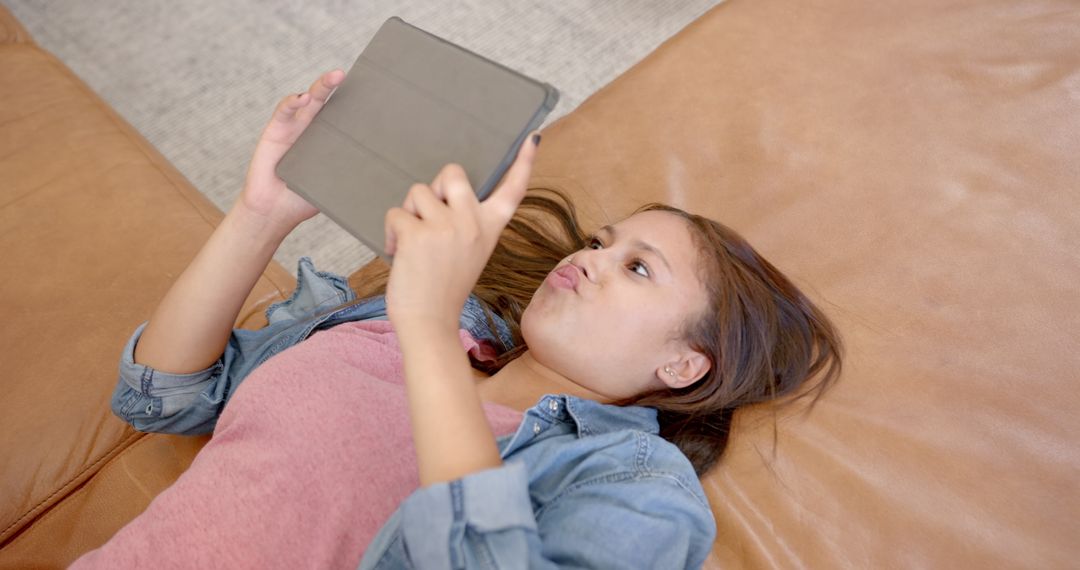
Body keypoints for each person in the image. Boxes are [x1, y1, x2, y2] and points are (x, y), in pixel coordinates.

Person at [73, 69, 843, 569]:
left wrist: (428, 325)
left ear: (683, 364)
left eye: (638, 268)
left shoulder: (636, 483)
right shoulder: (401, 325)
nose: (589, 259)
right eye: (601, 243)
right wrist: (260, 214)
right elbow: (160, 398)